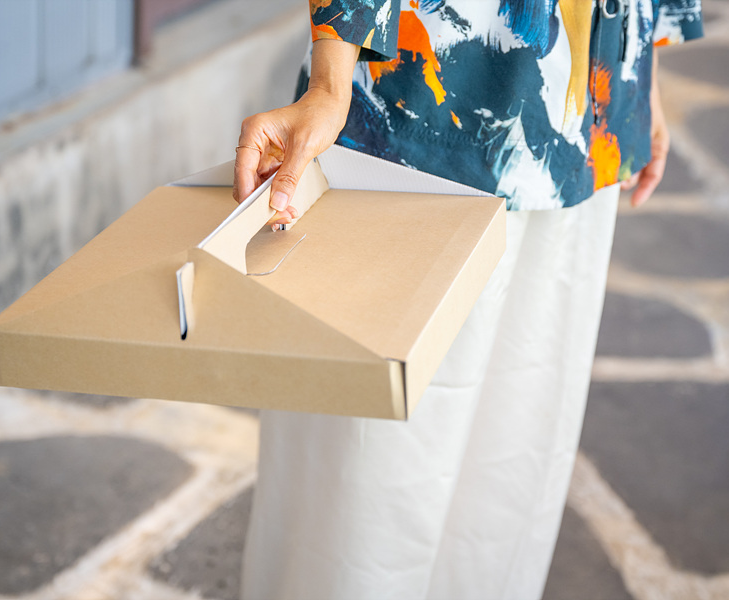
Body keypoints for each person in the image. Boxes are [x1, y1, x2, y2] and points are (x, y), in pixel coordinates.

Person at [234, 2, 703, 599]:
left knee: (512, 462)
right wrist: (331, 80)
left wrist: (642, 65)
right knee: (363, 482)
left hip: (586, 106)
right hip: (415, 119)